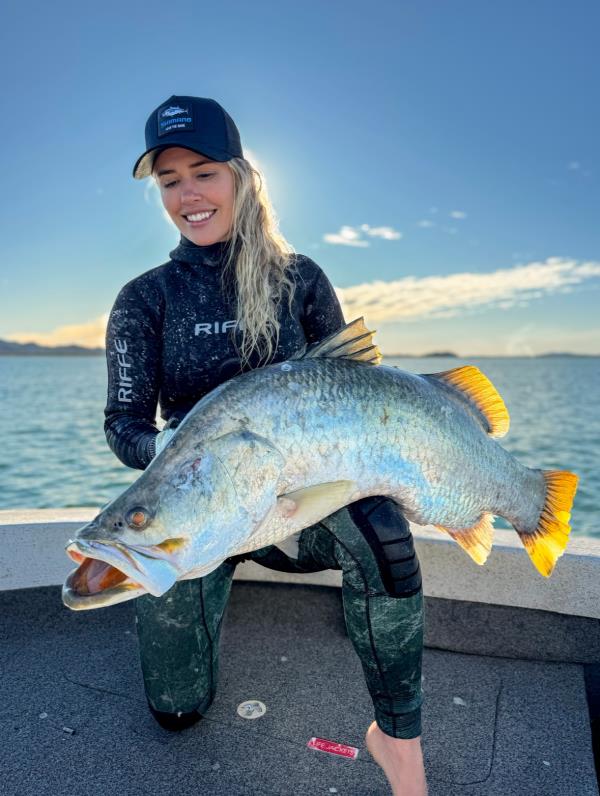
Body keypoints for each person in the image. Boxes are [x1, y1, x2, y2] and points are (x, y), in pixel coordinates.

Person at [104, 95, 428, 796]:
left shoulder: (299, 279)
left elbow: (356, 389)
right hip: (198, 516)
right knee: (176, 713)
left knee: (383, 532)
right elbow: (122, 423)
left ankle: (399, 737)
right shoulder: (144, 299)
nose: (188, 195)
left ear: (242, 176)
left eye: (204, 173)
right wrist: (174, 451)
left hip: (294, 504)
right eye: (170, 181)